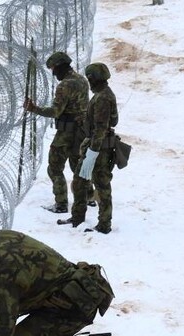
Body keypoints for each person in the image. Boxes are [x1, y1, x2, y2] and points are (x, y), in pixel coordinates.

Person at [23, 51, 94, 216]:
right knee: (79, 165)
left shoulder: (65, 85)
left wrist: (34, 109)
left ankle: (61, 203)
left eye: (54, 69)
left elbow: (55, 111)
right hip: (82, 131)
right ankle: (89, 196)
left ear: (61, 67)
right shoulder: (82, 80)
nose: (53, 73)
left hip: (66, 132)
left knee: (54, 167)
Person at [77, 62, 119, 234]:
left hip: (99, 149)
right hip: (97, 146)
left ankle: (104, 224)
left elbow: (101, 128)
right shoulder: (105, 94)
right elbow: (114, 121)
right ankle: (78, 217)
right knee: (80, 182)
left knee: (101, 186)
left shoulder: (102, 98)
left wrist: (92, 153)